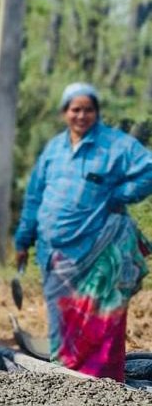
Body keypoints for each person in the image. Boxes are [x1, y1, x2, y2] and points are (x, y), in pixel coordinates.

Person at [14, 82, 152, 381]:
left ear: (97, 113)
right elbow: (35, 195)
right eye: (75, 109)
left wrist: (120, 194)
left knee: (101, 323)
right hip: (56, 254)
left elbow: (148, 169)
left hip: (99, 251)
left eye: (88, 110)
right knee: (63, 323)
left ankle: (102, 386)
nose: (81, 116)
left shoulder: (114, 145)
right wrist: (23, 239)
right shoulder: (54, 149)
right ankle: (64, 382)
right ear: (65, 112)